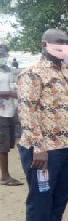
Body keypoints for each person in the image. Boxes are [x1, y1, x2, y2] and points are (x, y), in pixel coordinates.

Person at [17, 29, 68, 221]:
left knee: (59, 197)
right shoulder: (32, 74)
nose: (64, 45)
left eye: (66, 42)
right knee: (41, 199)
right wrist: (38, 146)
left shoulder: (64, 71)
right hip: (43, 150)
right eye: (58, 42)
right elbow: (27, 110)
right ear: (45, 44)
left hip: (66, 147)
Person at [1, 44, 22, 186]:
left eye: (4, 54)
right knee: (3, 145)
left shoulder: (7, 69)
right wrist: (11, 94)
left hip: (9, 111)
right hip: (1, 113)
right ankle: (5, 176)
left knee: (8, 143)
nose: (2, 57)